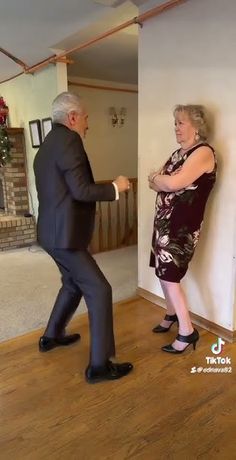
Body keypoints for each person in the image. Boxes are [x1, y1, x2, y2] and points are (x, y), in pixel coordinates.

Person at [34, 91, 133, 383]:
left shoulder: (47, 145)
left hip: (50, 234)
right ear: (73, 117)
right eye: (86, 117)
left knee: (72, 284)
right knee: (99, 289)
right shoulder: (70, 140)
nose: (88, 124)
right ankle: (99, 366)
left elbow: (66, 191)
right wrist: (116, 188)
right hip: (65, 237)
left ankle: (52, 335)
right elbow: (81, 190)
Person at [148, 104, 217, 354]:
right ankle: (171, 313)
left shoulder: (203, 152)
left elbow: (172, 181)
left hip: (181, 228)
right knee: (161, 270)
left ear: (196, 127)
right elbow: (156, 181)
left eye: (180, 122)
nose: (175, 127)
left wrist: (161, 180)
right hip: (164, 222)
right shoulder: (178, 153)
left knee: (170, 275)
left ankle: (187, 332)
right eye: (175, 122)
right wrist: (161, 181)